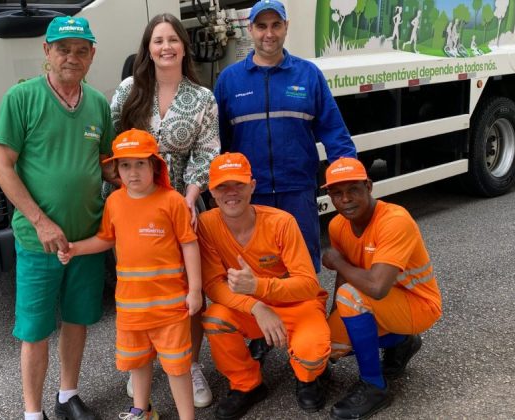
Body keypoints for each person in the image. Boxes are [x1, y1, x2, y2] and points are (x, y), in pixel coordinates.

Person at [0, 16, 115, 420]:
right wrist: (41, 222)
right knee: (35, 330)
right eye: (63, 49)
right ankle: (32, 413)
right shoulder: (22, 98)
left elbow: (105, 164)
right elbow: (2, 166)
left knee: (78, 321)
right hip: (38, 241)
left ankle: (67, 397)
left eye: (82, 50)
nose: (72, 58)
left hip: (87, 239)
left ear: (92, 55)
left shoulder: (97, 102)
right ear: (47, 51)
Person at [109, 13, 219, 407]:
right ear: (148, 49)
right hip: (135, 204)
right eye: (158, 41)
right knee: (140, 285)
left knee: (186, 288)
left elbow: (207, 151)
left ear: (184, 47)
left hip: (180, 203)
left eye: (173, 39)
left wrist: (189, 198)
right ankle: (142, 363)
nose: (166, 47)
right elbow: (113, 144)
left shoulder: (202, 98)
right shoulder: (128, 91)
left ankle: (187, 363)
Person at [58, 129, 202, 420]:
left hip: (170, 304)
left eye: (140, 164)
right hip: (131, 305)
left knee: (177, 366)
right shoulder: (114, 202)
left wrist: (195, 289)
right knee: (137, 361)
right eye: (125, 165)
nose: (132, 172)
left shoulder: (172, 200)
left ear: (154, 166)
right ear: (116, 169)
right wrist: (75, 249)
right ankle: (141, 409)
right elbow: (106, 239)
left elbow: (189, 244)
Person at [213, 0, 356, 274]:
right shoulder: (229, 80)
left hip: (297, 190)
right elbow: (218, 143)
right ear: (250, 29)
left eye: (276, 25)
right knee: (256, 266)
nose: (270, 33)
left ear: (286, 27)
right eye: (262, 26)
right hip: (250, 195)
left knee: (301, 263)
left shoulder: (308, 75)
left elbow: (334, 132)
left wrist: (349, 177)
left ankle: (307, 315)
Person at [198, 153, 332, 419]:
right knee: (215, 319)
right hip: (252, 308)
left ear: (253, 186)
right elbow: (213, 285)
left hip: (296, 304)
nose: (231, 193)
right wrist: (258, 306)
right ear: (211, 191)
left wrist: (259, 286)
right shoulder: (207, 224)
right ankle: (247, 385)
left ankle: (309, 377)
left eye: (238, 184)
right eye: (222, 186)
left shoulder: (281, 222)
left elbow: (308, 284)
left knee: (312, 355)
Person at [320, 157, 442, 420]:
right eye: (337, 193)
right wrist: (333, 318)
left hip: (418, 304)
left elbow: (376, 288)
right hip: (378, 303)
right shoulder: (337, 225)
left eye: (353, 189)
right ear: (329, 195)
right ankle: (401, 343)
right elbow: (345, 275)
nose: (346, 199)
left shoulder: (395, 220)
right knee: (328, 344)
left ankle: (375, 386)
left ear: (369, 185)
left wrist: (338, 262)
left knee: (351, 296)